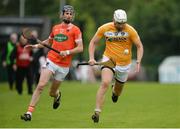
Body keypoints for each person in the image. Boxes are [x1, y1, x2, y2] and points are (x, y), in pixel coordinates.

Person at [20, 5, 83, 121]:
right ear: (62, 14)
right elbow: (47, 42)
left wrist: (68, 52)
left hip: (64, 66)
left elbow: (80, 48)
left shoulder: (76, 30)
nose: (68, 15)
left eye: (70, 14)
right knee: (41, 85)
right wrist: (35, 46)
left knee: (52, 92)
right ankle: (29, 113)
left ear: (72, 16)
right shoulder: (55, 28)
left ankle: (57, 95)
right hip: (52, 60)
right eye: (66, 13)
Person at [88, 9, 144, 123]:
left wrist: (138, 61)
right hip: (109, 59)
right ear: (114, 20)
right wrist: (91, 58)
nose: (121, 25)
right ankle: (97, 112)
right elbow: (93, 42)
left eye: (123, 23)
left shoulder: (130, 30)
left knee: (118, 92)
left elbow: (139, 46)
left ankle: (114, 91)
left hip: (124, 64)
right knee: (105, 83)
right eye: (119, 23)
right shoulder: (104, 28)